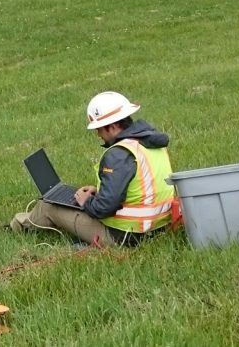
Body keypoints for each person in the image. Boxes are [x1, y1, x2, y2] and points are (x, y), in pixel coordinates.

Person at [10, 91, 176, 247]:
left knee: (48, 206)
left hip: (123, 237)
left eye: (99, 129)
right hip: (157, 228)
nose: (98, 135)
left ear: (112, 126)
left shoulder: (119, 154)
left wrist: (87, 201)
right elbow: (143, 189)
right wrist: (99, 191)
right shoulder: (150, 144)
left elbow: (104, 209)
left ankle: (16, 227)